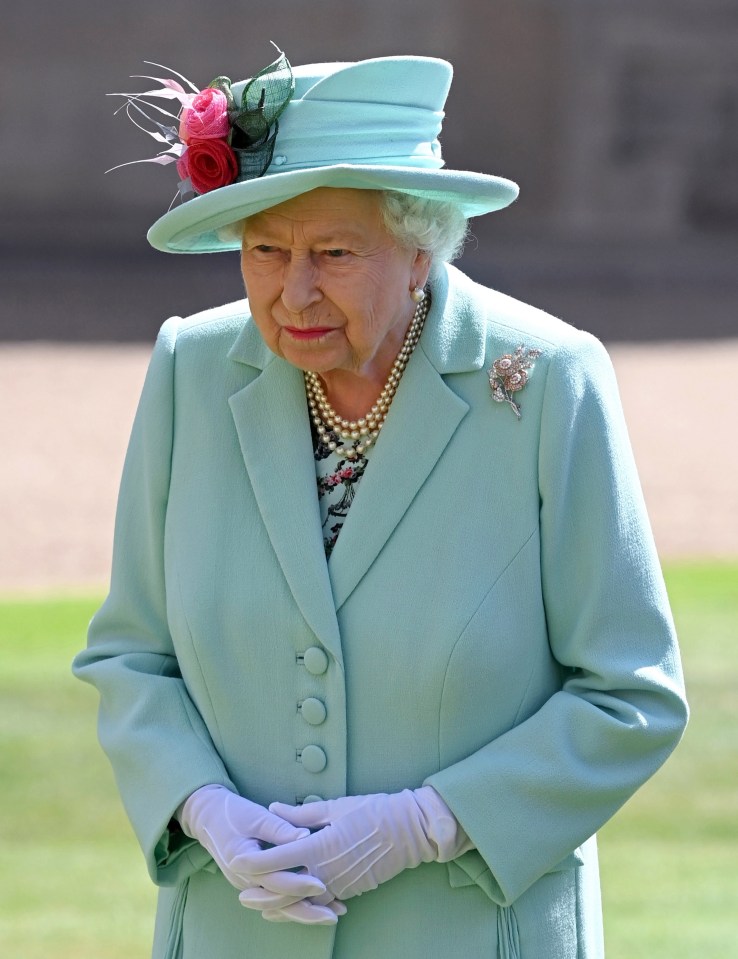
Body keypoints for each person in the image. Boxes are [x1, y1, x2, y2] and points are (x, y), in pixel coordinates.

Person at [73, 49, 688, 959]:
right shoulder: (190, 371)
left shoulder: (547, 382)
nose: (294, 290)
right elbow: (131, 656)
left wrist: (427, 822)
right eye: (265, 250)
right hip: (234, 933)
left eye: (333, 252)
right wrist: (200, 809)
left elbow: (630, 696)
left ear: (421, 249)